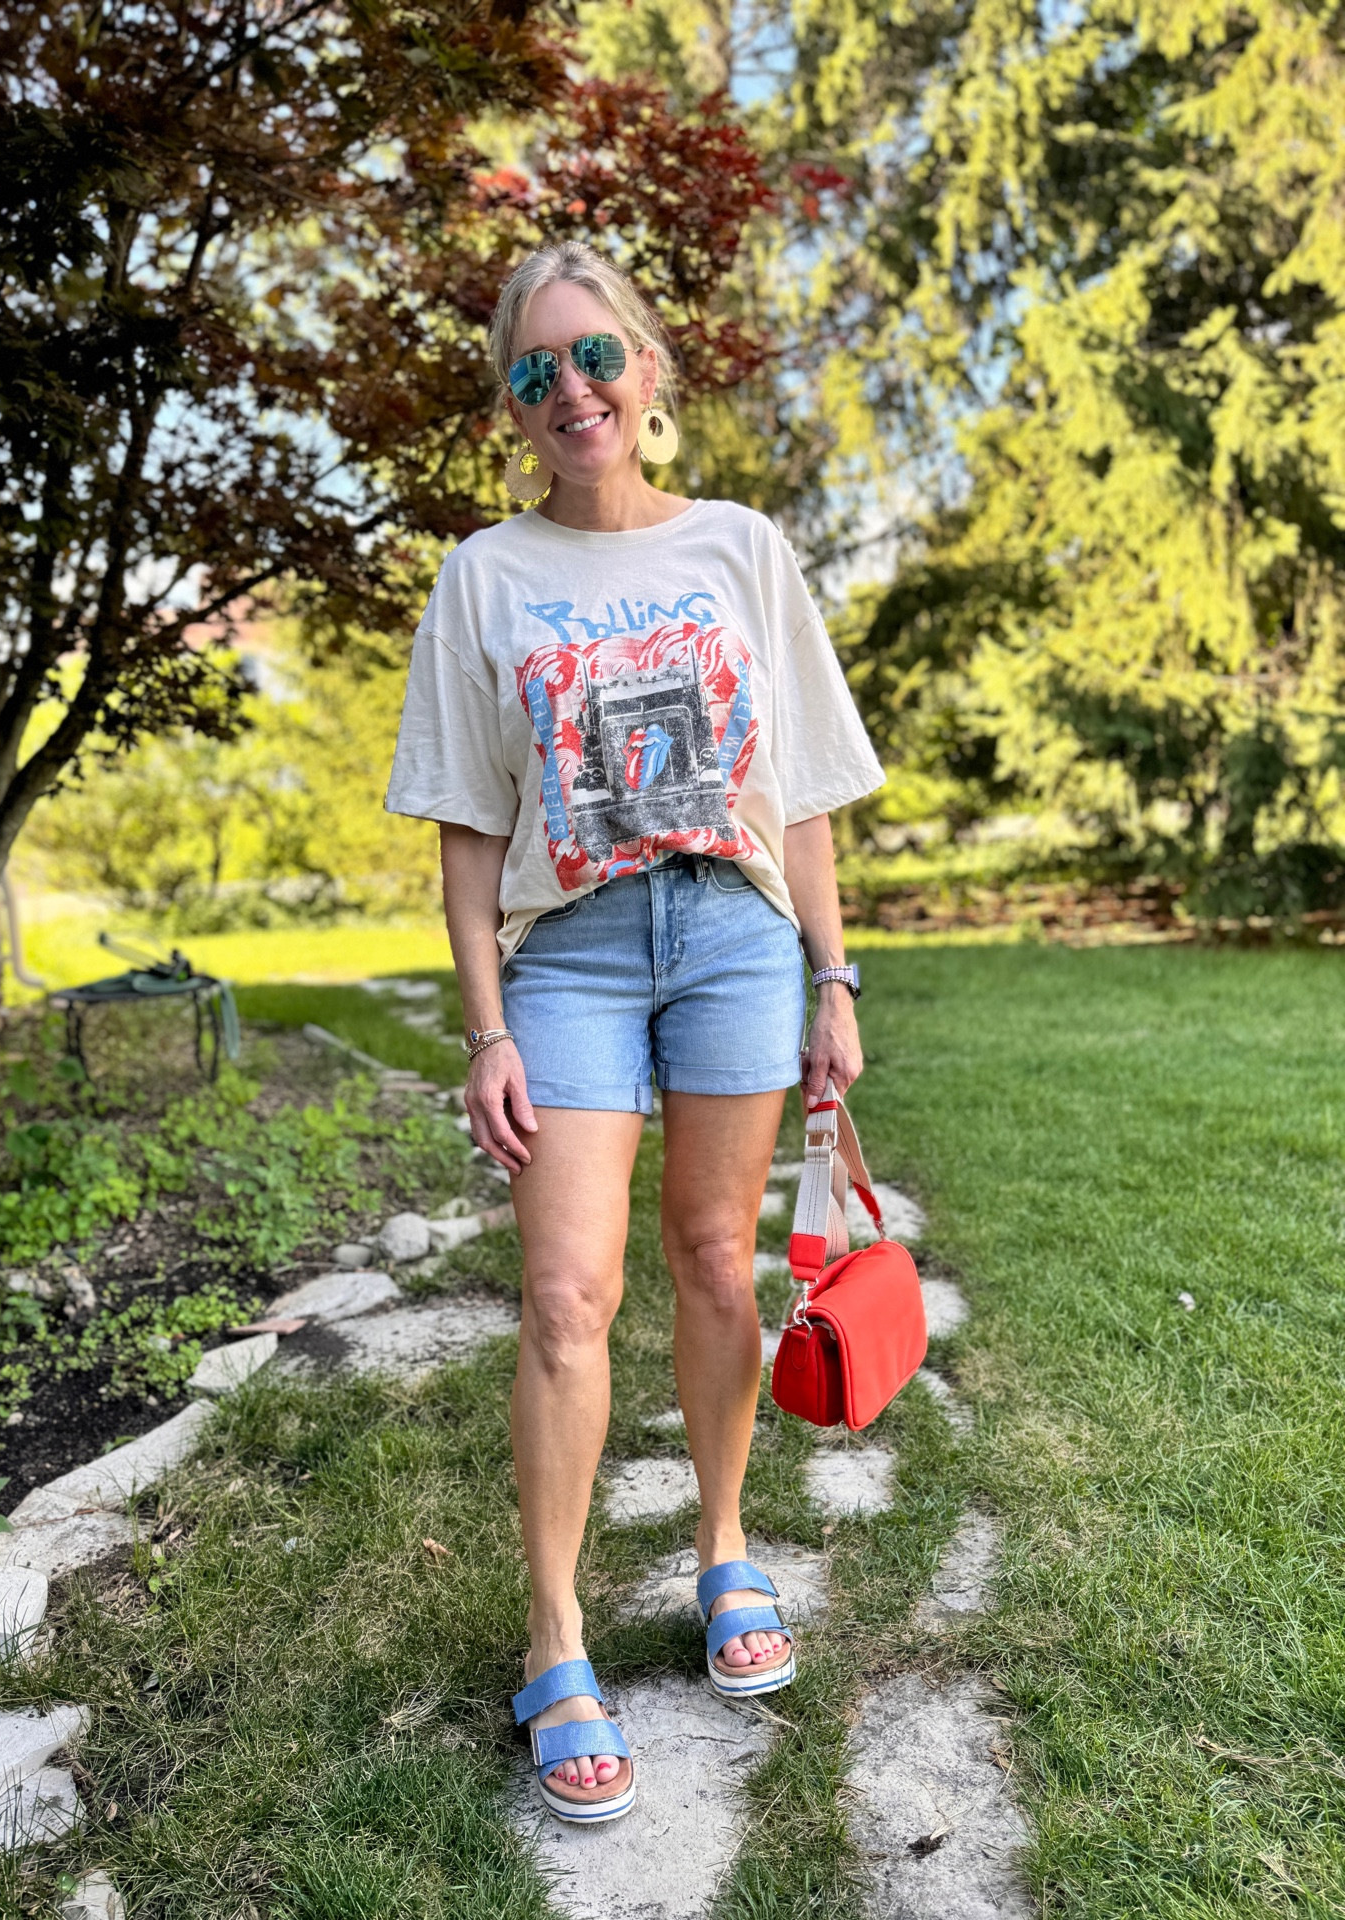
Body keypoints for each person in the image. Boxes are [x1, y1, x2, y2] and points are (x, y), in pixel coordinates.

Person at [385, 241, 883, 1824]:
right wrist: (483, 1029)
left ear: (649, 371)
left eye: (596, 357)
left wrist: (833, 978)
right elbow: (469, 832)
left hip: (734, 932)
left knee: (718, 1261)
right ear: (511, 409)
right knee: (564, 1295)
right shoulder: (486, 576)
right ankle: (554, 1637)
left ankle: (726, 1549)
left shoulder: (743, 546)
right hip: (576, 958)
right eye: (535, 374)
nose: (572, 393)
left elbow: (794, 796)